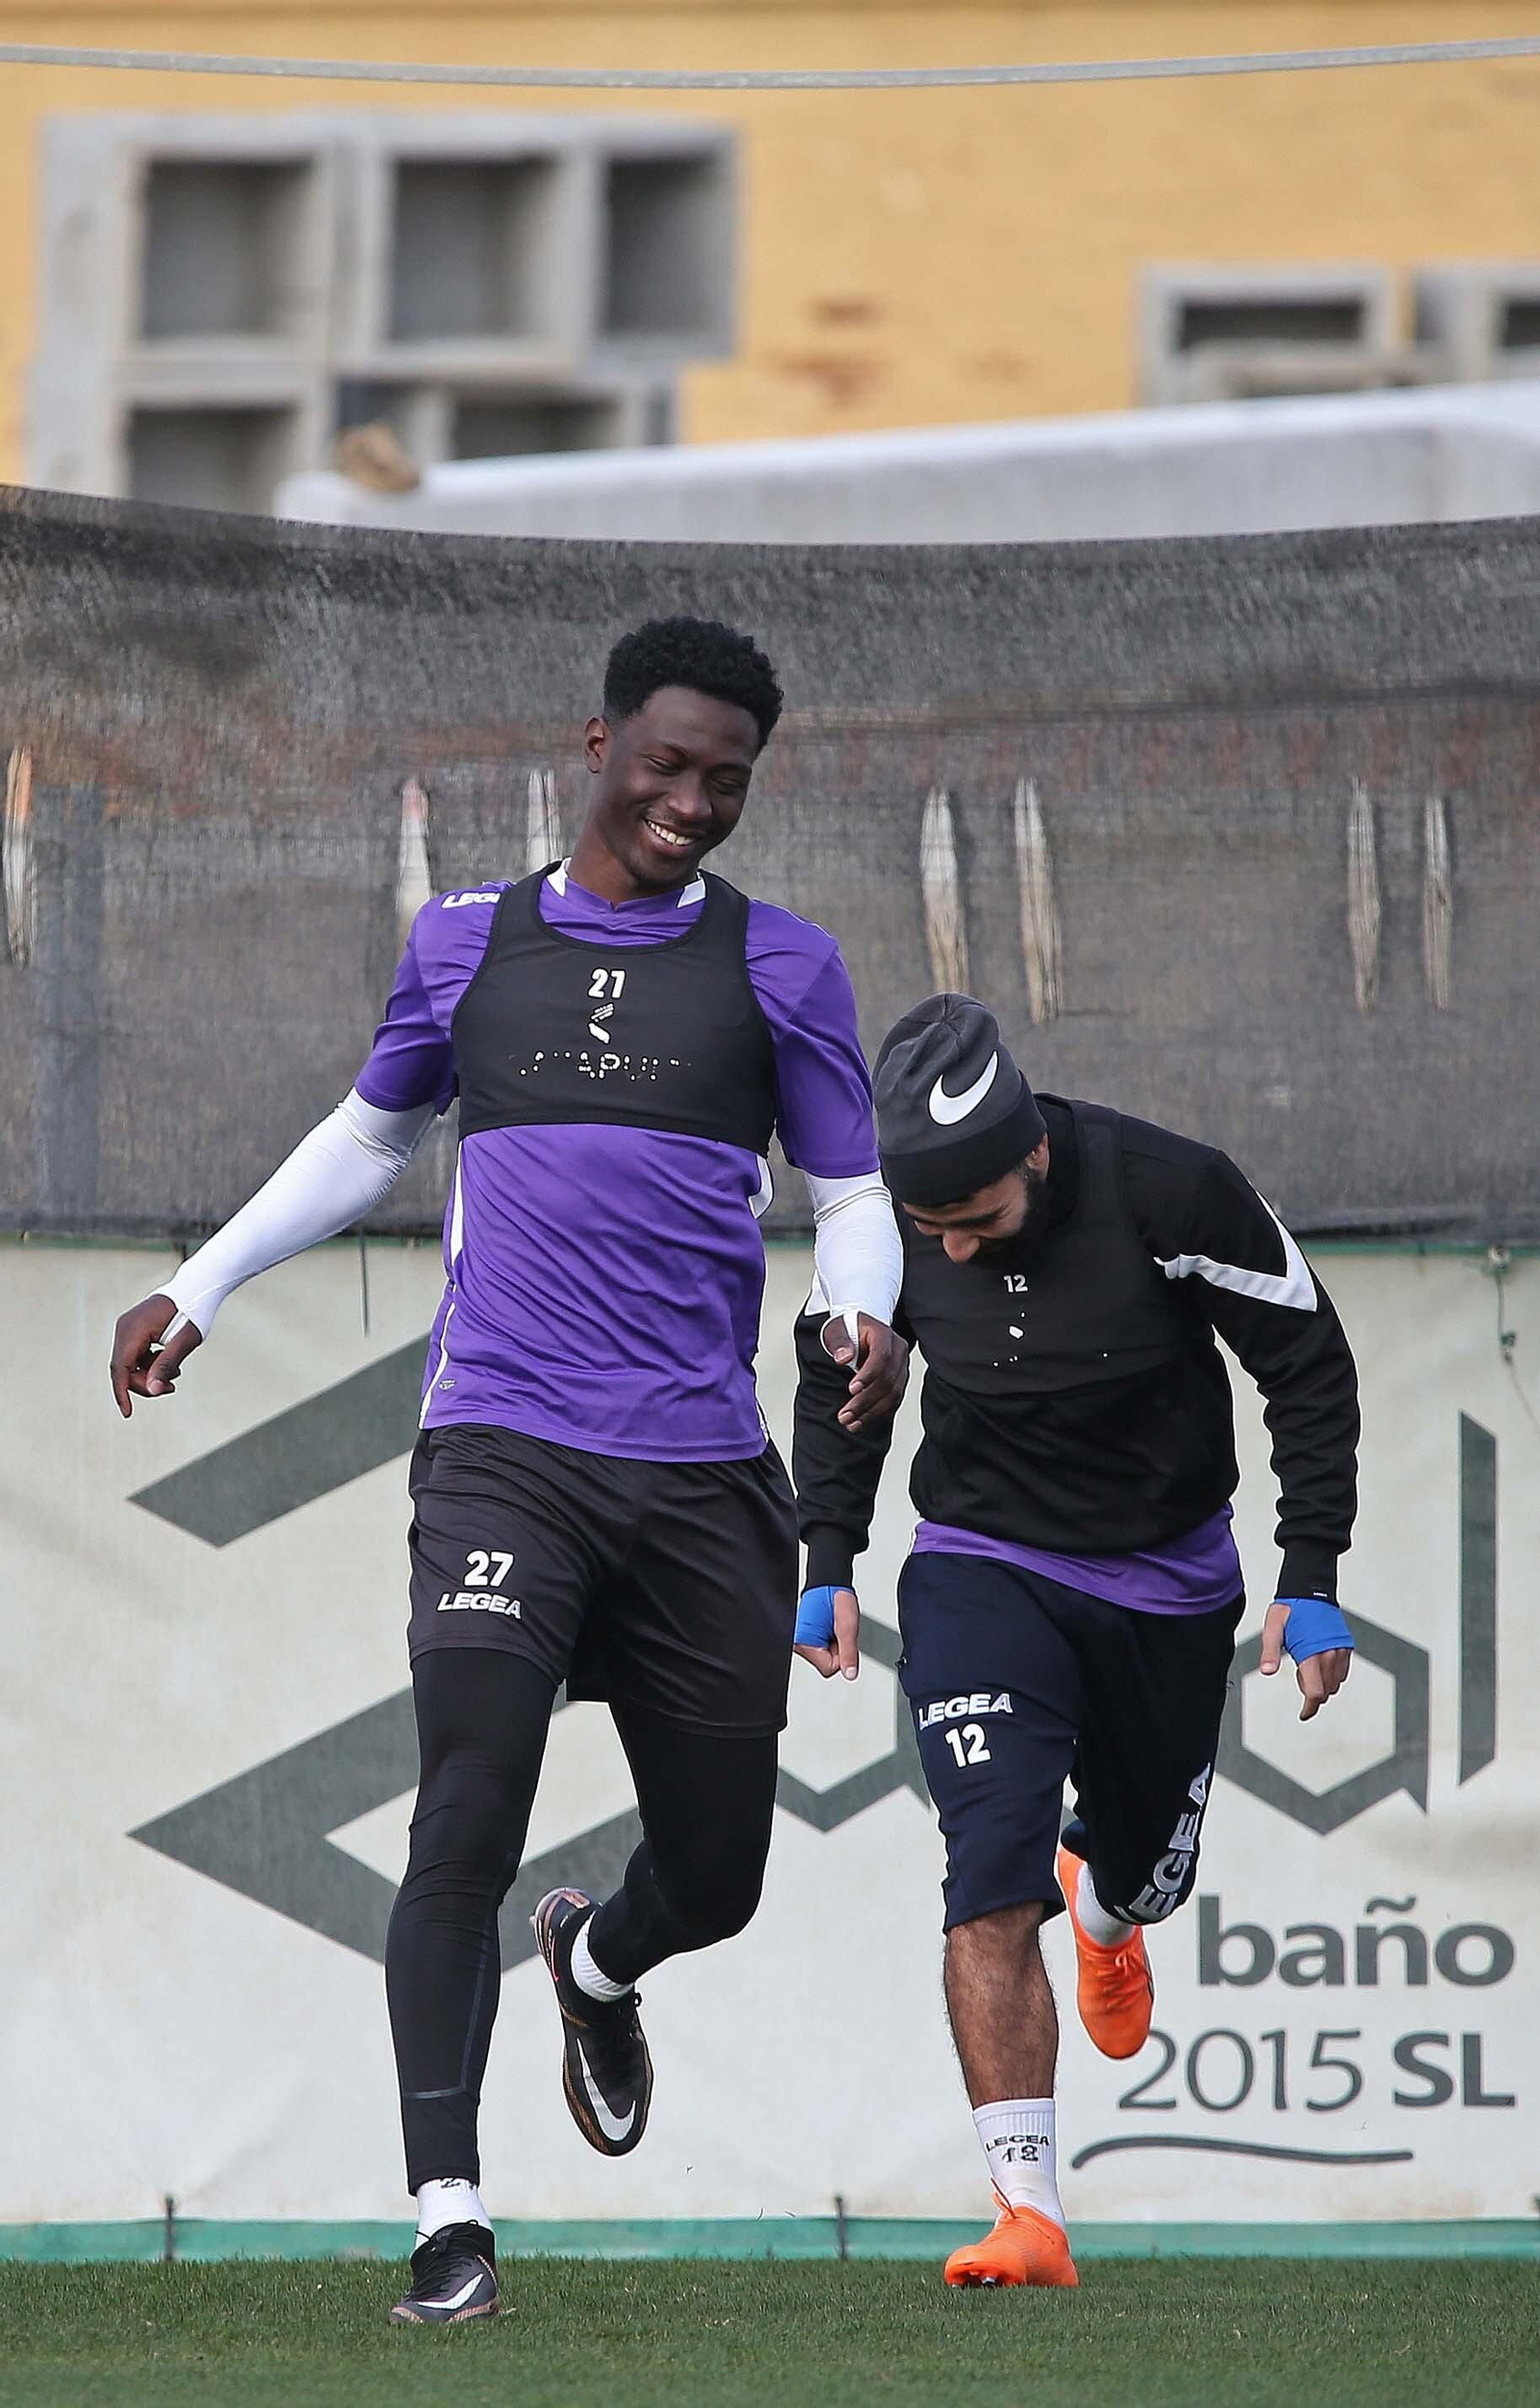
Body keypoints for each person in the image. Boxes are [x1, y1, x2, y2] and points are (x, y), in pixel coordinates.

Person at [111, 617, 906, 2325]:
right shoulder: (465, 939)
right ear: (598, 742)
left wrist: (861, 1309)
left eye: (727, 780)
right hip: (502, 1452)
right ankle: (449, 2222)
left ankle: (598, 1963)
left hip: (703, 1475)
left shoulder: (787, 966)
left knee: (719, 1876)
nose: (692, 800)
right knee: (465, 1805)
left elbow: (851, 1196)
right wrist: (204, 1280)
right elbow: (372, 1134)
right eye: (667, 762)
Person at [791, 992, 1358, 2291]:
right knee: (987, 1869)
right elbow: (840, 1384)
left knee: (1146, 1874)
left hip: (1168, 1584)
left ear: (1034, 1154)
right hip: (983, 1564)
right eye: (929, 1223)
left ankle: (1110, 1910)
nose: (949, 1245)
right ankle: (1028, 2213)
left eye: (976, 1217)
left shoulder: (1173, 1190)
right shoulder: (883, 1228)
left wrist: (1312, 1570)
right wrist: (827, 1557)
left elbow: (1308, 1361)